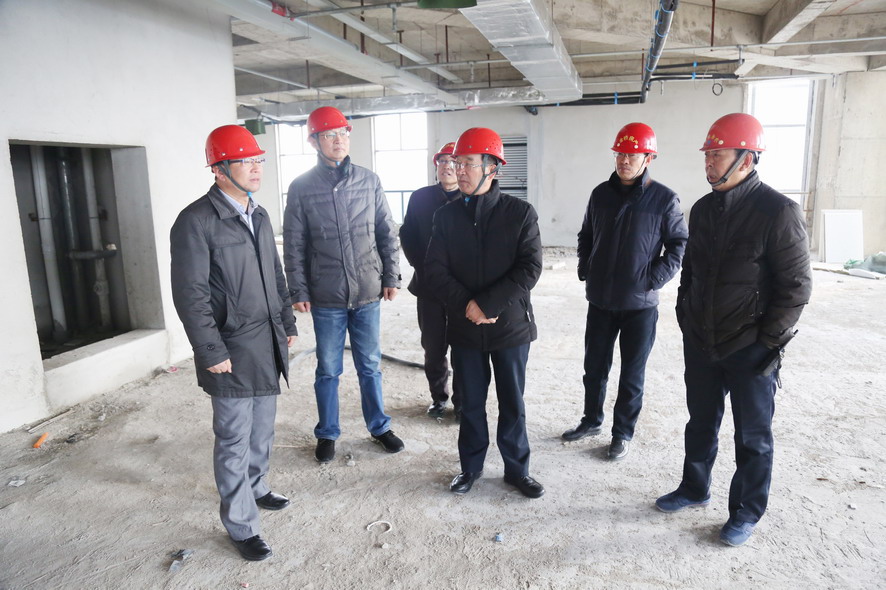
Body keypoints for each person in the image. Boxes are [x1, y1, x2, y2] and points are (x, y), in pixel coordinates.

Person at [655, 113, 812, 547]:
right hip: (702, 340)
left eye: (717, 154)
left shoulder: (778, 211)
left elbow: (796, 287)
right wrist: (686, 317)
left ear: (746, 158)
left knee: (753, 437)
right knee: (700, 423)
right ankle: (694, 487)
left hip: (750, 347)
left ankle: (745, 511)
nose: (708, 162)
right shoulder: (704, 210)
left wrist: (767, 342)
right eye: (707, 154)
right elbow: (690, 272)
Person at [170, 124, 298, 562]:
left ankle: (257, 487)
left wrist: (286, 322)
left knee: (262, 429)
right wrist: (210, 350)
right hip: (230, 349)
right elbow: (191, 295)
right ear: (219, 170)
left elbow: (275, 276)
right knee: (233, 438)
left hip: (266, 342)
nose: (257, 169)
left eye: (258, 160)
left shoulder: (258, 214)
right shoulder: (195, 222)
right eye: (246, 161)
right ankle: (242, 525)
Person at [424, 127, 545, 498]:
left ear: (492, 167)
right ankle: (471, 468)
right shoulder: (446, 217)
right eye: (457, 163)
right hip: (465, 328)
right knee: (471, 403)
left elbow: (530, 267)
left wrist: (488, 304)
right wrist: (468, 306)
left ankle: (517, 470)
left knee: (512, 403)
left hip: (510, 327)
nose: (459, 170)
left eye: (468, 163)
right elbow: (434, 270)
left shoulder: (519, 214)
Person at [283, 106, 404, 464]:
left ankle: (379, 427)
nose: (338, 140)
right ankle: (327, 432)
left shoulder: (369, 180)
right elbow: (294, 244)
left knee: (370, 365)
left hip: (367, 290)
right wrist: (299, 290)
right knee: (328, 369)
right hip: (326, 295)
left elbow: (386, 231)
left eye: (343, 133)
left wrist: (391, 276)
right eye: (329, 134)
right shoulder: (301, 187)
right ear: (314, 141)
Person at [562, 123, 687, 461]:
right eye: (620, 154)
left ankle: (622, 433)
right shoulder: (600, 194)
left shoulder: (664, 199)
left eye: (632, 155)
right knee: (594, 368)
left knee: (632, 374)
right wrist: (586, 267)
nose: (624, 160)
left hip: (639, 306)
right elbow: (586, 235)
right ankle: (591, 420)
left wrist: (652, 280)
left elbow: (678, 245)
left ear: (648, 158)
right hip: (601, 300)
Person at [399, 142, 463, 420]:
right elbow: (407, 234)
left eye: (453, 161)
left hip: (462, 291)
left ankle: (463, 401)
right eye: (442, 161)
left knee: (463, 348)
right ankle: (439, 398)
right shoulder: (420, 198)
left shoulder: (470, 198)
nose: (447, 166)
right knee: (433, 348)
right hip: (428, 288)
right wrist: (422, 267)